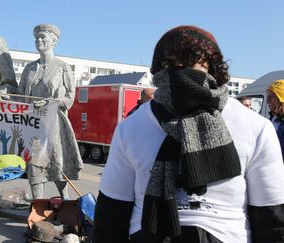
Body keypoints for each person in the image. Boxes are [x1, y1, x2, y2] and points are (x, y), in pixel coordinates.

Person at [93, 25, 284, 243]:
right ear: (158, 71)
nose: (181, 71)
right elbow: (111, 214)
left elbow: (272, 218)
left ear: (213, 69)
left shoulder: (254, 126)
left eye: (193, 63)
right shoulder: (131, 128)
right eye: (171, 64)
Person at [17, 24, 83, 199]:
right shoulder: (29, 69)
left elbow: (70, 98)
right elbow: (18, 95)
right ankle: (37, 205)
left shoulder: (62, 67)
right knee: (34, 164)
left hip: (54, 124)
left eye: (43, 37)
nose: (39, 41)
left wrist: (50, 102)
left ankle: (65, 200)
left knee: (57, 163)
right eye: (37, 38)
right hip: (33, 123)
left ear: (53, 41)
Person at [266, 79, 284, 157]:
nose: (267, 101)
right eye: (267, 97)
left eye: (271, 97)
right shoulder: (272, 120)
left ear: (281, 99)